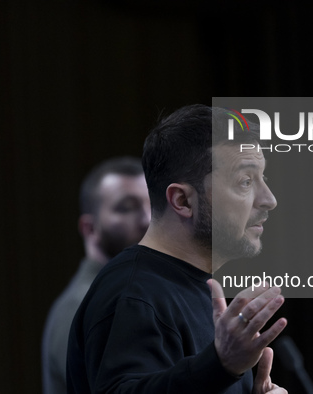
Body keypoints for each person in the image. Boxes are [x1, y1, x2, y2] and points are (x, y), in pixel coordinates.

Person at [67, 105, 288, 393]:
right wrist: (220, 365)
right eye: (245, 181)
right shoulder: (133, 293)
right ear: (182, 201)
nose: (269, 199)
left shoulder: (195, 288)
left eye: (263, 179)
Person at [42, 157, 151, 394]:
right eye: (127, 207)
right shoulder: (84, 305)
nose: (147, 220)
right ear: (89, 228)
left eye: (153, 205)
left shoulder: (124, 296)